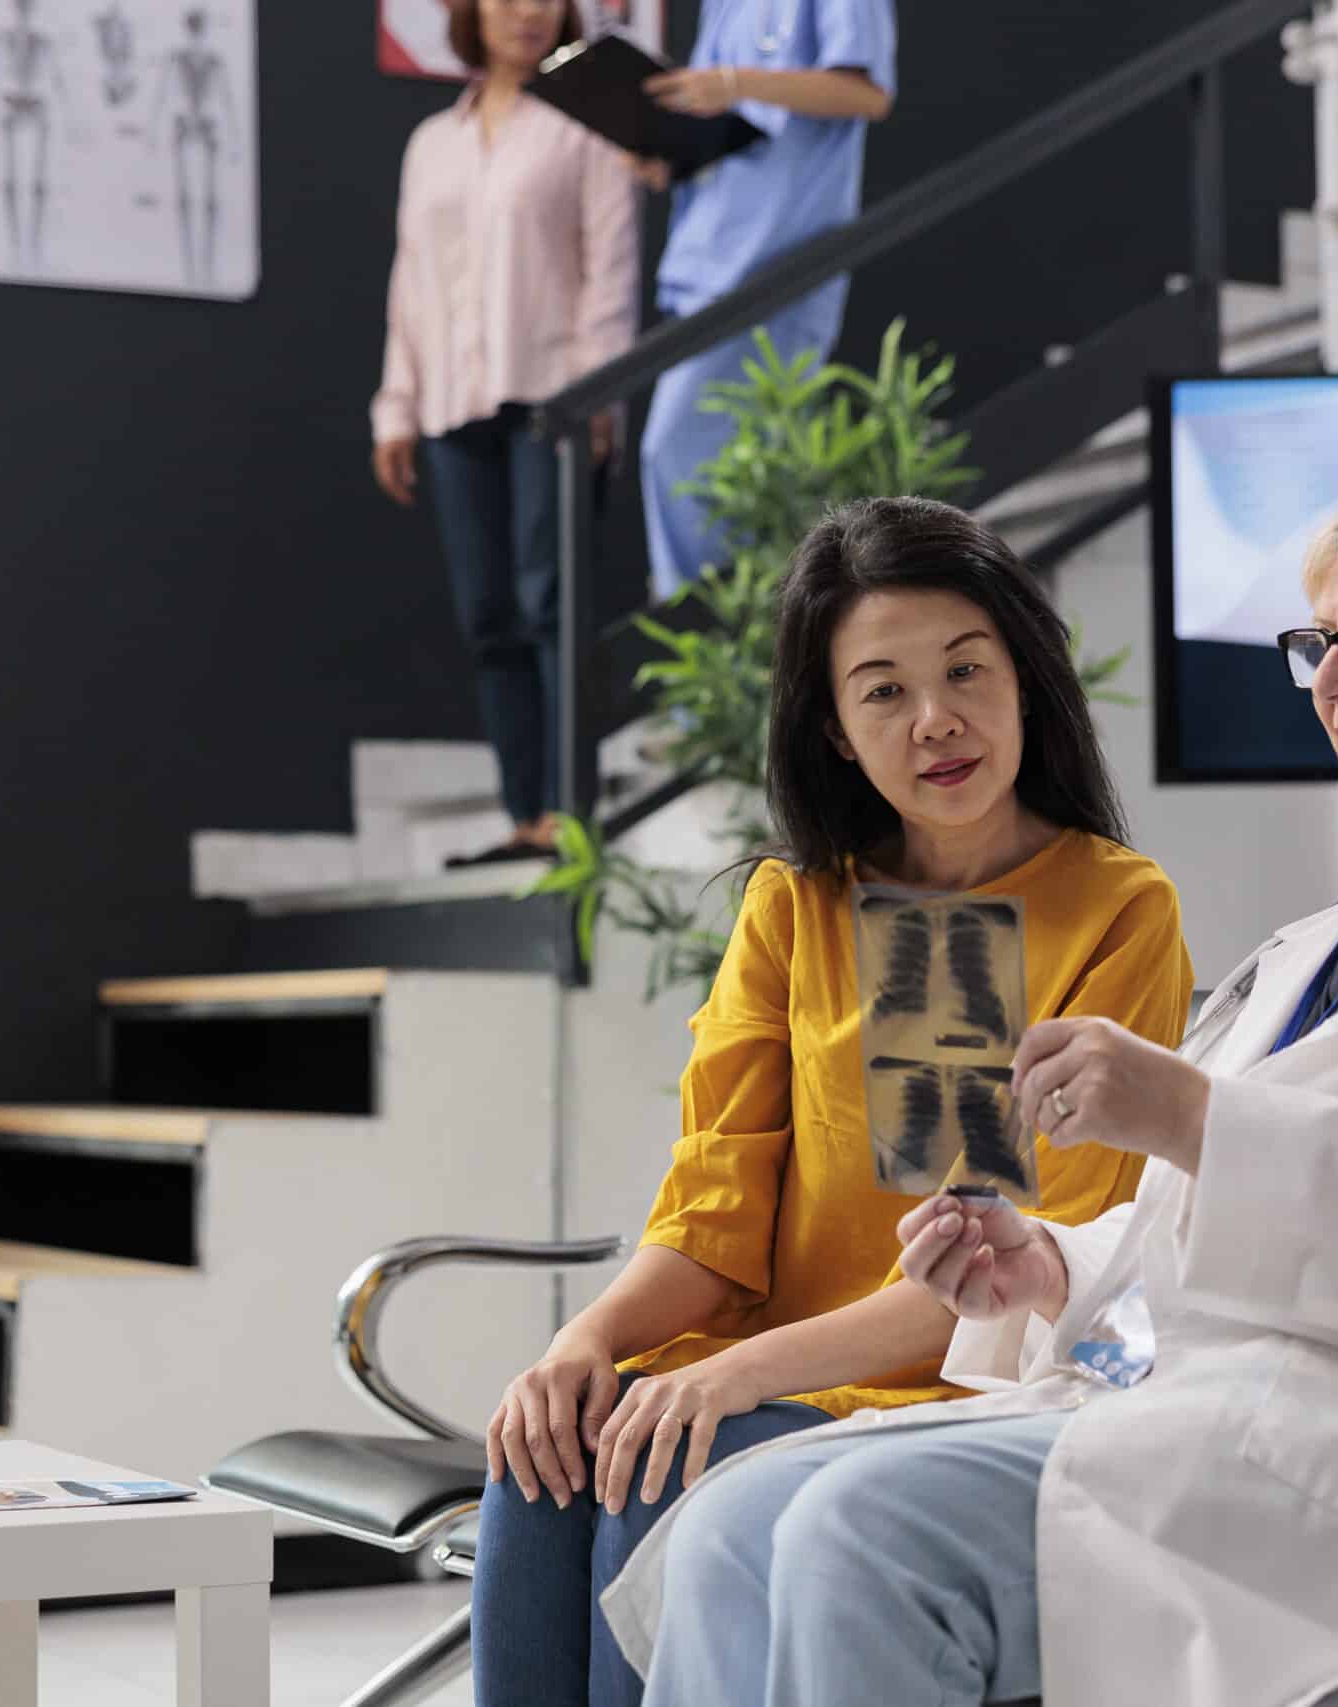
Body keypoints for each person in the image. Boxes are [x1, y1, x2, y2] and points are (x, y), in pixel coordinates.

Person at [605, 454, 1338, 1707]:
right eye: (1319, 643)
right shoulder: (1308, 952)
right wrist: (1047, 1270)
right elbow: (1187, 1236)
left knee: (861, 1531)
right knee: (737, 1527)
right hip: (1224, 1423)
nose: (1330, 682)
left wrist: (1187, 1113)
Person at [472, 497, 1194, 1707]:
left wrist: (734, 1378)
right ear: (835, 731)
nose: (936, 721)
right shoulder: (794, 905)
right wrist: (580, 1344)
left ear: (1026, 677)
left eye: (966, 669)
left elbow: (1023, 1273)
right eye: (882, 690)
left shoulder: (1118, 907)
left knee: (653, 1461)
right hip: (765, 1367)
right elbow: (712, 1218)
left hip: (956, 1393)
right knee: (539, 1461)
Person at [372, 0, 638, 865]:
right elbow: (412, 281)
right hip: (452, 404)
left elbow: (610, 270)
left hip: (552, 400)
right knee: (488, 614)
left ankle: (572, 813)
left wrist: (601, 396)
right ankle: (527, 815)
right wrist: (396, 406)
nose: (527, 11)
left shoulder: (582, 125)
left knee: (549, 602)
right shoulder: (432, 145)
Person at [633, 0, 897, 599]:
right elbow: (740, 129)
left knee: (679, 459)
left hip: (773, 272)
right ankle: (728, 673)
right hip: (707, 267)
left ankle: (717, 669)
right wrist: (672, 155)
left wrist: (733, 84)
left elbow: (866, 93)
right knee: (722, 488)